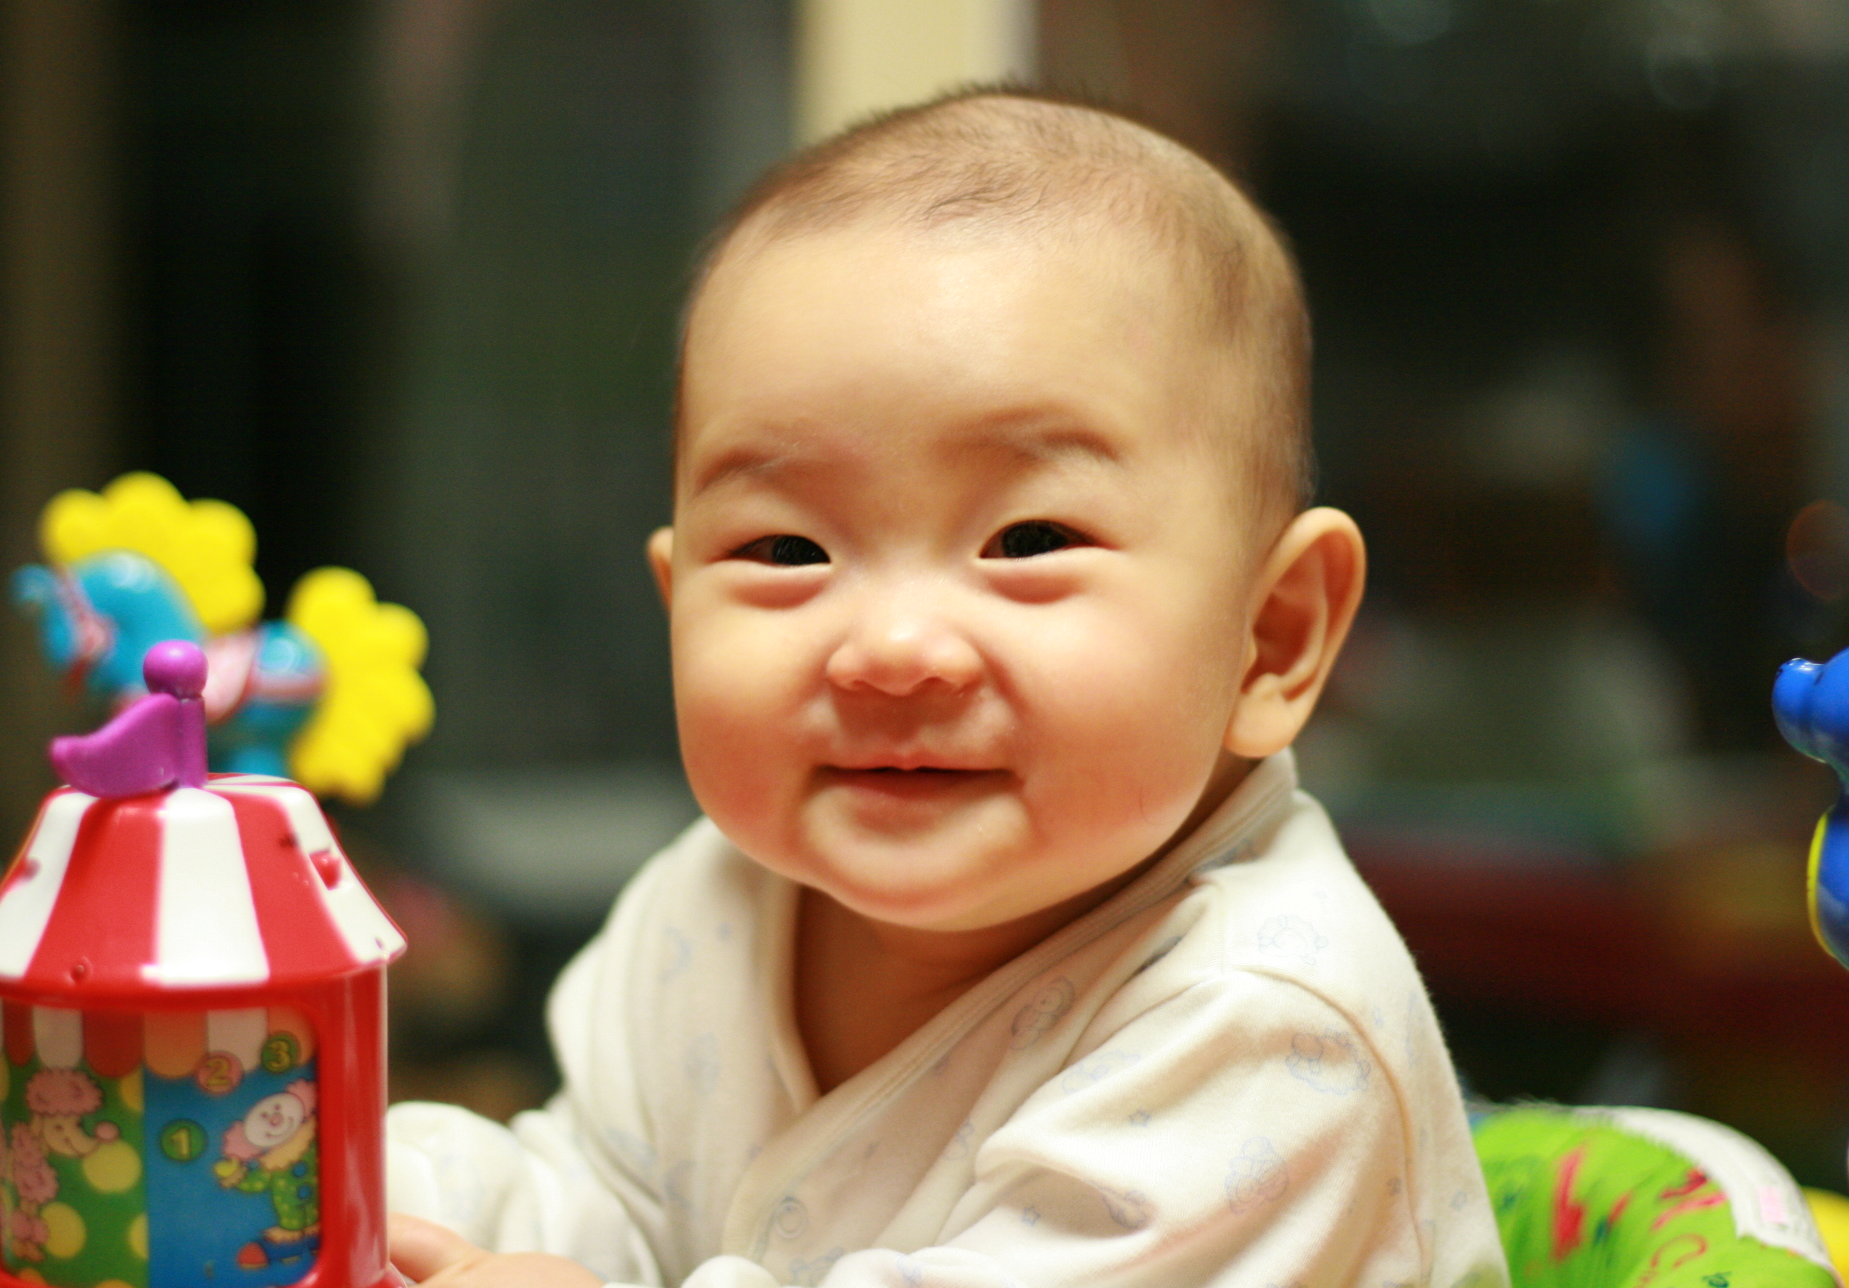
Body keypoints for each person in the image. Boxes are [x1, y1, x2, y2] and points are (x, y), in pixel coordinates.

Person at [384, 88, 1507, 1288]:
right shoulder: (711, 903)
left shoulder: (1268, 1028)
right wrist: (373, 1198)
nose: (892, 645)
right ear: (678, 607)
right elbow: (598, 1207)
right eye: (785, 550)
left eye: (1028, 540)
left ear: (1269, 637)